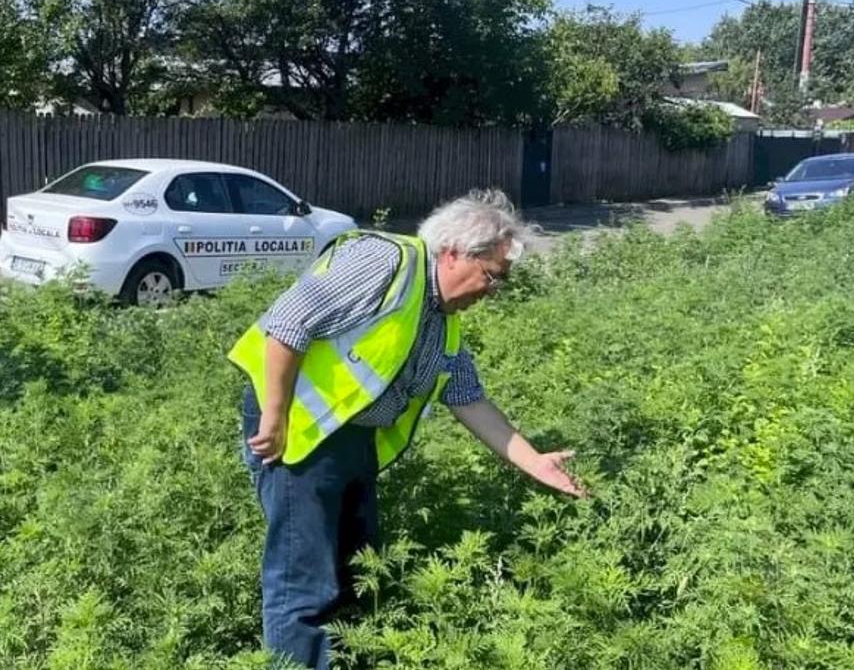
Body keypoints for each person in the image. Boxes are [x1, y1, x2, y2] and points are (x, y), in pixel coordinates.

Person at [226, 189, 586, 669]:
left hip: (351, 438)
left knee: (357, 566)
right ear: (456, 252)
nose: (492, 292)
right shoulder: (385, 261)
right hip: (298, 429)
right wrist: (274, 416)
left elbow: (468, 397)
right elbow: (289, 322)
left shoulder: (439, 317)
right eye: (492, 277)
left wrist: (535, 461)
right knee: (304, 580)